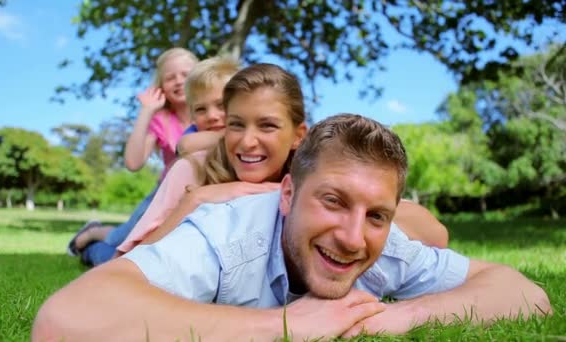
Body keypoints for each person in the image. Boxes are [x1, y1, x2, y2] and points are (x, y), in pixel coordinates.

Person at [34, 108, 552, 341]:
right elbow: (67, 319)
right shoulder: (226, 235)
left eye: (376, 214)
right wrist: (288, 325)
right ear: (288, 193)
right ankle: (90, 238)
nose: (353, 237)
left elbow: (525, 293)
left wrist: (392, 320)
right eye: (332, 200)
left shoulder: (384, 246)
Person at [116, 62, 448, 256]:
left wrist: (278, 194)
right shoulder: (193, 171)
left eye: (268, 125)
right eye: (236, 124)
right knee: (105, 248)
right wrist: (198, 200)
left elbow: (435, 235)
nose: (247, 141)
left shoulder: (313, 174)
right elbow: (129, 261)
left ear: (298, 135)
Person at [66, 48, 199, 264]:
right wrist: (146, 111)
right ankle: (92, 234)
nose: (178, 81)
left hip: (196, 193)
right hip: (163, 195)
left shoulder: (212, 113)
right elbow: (133, 163)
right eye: (170, 77)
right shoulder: (162, 120)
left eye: (186, 74)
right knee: (124, 238)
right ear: (160, 85)